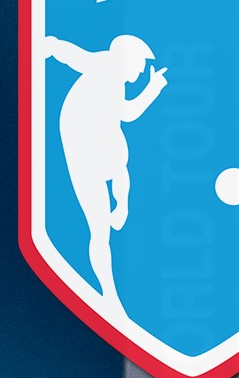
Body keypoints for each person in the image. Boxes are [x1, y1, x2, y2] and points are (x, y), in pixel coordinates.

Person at [43, 31, 165, 295]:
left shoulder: (115, 78)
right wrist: (52, 46)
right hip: (81, 146)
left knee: (119, 162)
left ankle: (121, 207)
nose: (141, 70)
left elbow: (125, 113)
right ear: (127, 56)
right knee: (99, 229)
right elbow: (76, 57)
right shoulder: (106, 64)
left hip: (99, 141)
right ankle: (109, 294)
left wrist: (152, 88)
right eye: (140, 63)